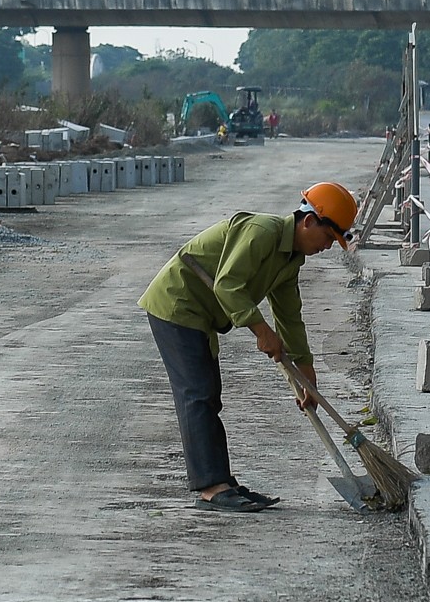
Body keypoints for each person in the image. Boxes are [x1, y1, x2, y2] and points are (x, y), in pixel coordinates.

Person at [137, 182, 358, 513]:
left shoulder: (291, 259)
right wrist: (260, 330)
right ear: (309, 221)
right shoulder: (262, 232)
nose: (327, 247)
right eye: (329, 238)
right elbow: (227, 284)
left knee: (208, 394)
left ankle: (220, 480)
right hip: (177, 303)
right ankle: (211, 488)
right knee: (196, 393)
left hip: (201, 315)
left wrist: (306, 370)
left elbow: (289, 314)